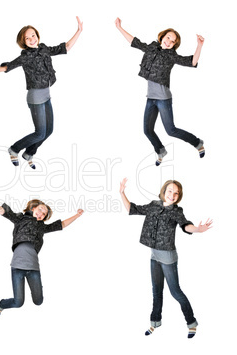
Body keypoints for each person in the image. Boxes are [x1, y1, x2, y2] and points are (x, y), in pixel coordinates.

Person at [0, 17, 83, 169]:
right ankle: (14, 149)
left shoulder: (44, 49)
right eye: (27, 38)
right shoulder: (26, 56)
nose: (31, 39)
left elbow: (66, 47)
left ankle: (29, 153)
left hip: (46, 95)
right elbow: (7, 67)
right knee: (39, 133)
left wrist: (79, 31)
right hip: (35, 97)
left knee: (49, 131)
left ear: (37, 35)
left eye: (33, 35)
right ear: (23, 41)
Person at [119, 178, 212, 338]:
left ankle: (191, 323)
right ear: (164, 191)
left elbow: (185, 225)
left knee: (175, 292)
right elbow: (132, 209)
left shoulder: (176, 211)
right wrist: (122, 192)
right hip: (154, 255)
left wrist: (197, 229)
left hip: (168, 257)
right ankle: (155, 322)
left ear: (178, 196)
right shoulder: (154, 205)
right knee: (156, 291)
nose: (172, 194)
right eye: (170, 190)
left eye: (176, 193)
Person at [115, 18, 205, 165]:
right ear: (162, 37)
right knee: (147, 130)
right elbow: (135, 42)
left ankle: (197, 143)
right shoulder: (152, 47)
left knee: (171, 130)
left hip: (163, 99)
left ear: (174, 45)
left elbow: (192, 62)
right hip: (150, 98)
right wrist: (119, 27)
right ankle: (161, 150)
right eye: (168, 37)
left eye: (173, 41)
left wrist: (199, 46)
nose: (169, 41)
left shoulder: (171, 56)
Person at [0, 192, 83, 316]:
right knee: (18, 302)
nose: (41, 214)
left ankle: (36, 290)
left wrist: (77, 215)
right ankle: (2, 304)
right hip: (17, 267)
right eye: (40, 210)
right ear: (33, 208)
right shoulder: (20, 219)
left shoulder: (42, 228)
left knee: (38, 301)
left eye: (44, 214)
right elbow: (2, 211)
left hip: (33, 268)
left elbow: (62, 224)